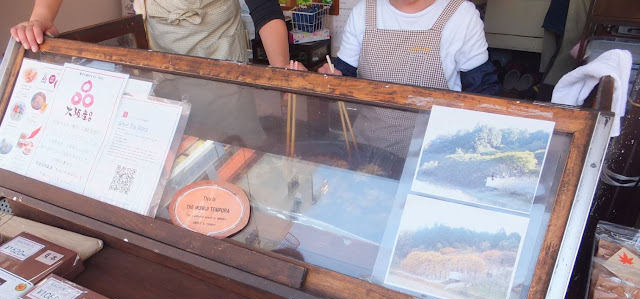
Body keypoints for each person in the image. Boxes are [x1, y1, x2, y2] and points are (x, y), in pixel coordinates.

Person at [10, 0, 292, 67]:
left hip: (218, 53)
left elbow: (265, 10)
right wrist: (40, 18)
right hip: (156, 53)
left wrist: (283, 77)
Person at [318, 0, 499, 94]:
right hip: (367, 143)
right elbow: (345, 72)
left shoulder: (461, 14)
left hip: (433, 149)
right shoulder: (363, 11)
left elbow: (482, 89)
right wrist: (334, 78)